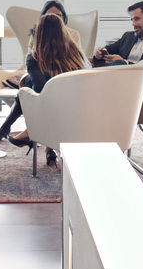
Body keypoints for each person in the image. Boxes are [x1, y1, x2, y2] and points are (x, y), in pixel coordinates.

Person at [0, 0, 68, 142]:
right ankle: (28, 132)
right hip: (40, 73)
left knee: (27, 86)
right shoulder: (37, 35)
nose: (52, 18)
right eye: (49, 15)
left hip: (60, 79)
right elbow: (33, 58)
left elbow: (75, 62)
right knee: (29, 82)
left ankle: (16, 128)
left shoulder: (71, 36)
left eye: (57, 15)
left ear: (64, 17)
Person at [12, 13, 89, 165]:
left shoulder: (34, 57)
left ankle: (34, 134)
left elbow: (40, 89)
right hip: (79, 110)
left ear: (39, 34)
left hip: (51, 112)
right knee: (32, 83)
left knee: (30, 85)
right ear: (63, 31)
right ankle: (48, 148)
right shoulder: (77, 54)